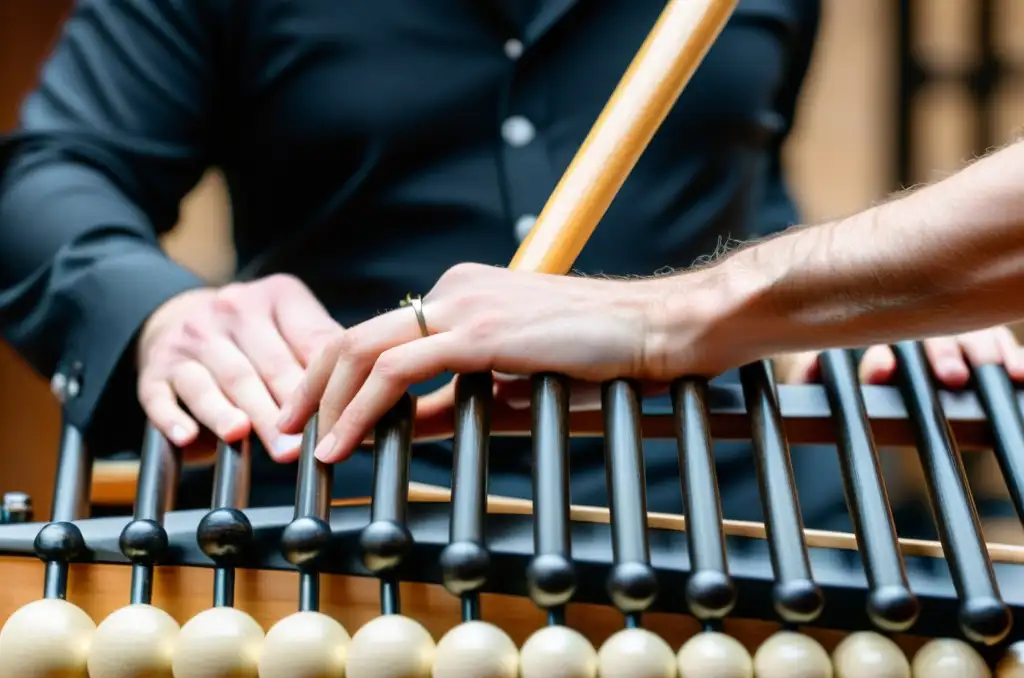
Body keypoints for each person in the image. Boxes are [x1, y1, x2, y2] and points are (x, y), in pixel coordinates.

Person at [0, 0, 1018, 541]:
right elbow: (51, 175)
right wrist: (157, 310)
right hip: (349, 531)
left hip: (744, 535)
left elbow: (748, 186)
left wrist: (854, 301)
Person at [284, 135, 1024, 465]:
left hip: (747, 498)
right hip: (369, 493)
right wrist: (170, 310)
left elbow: (748, 186)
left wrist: (872, 309)